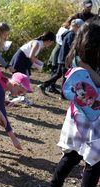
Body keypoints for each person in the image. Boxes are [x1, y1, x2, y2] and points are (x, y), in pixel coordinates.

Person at [50, 17, 100, 187]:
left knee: (73, 155)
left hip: (78, 113)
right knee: (94, 161)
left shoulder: (75, 57)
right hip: (93, 116)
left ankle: (54, 185)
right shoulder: (84, 63)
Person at [38, 19, 84, 98]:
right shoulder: (71, 35)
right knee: (65, 77)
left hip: (62, 58)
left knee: (58, 74)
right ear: (77, 26)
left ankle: (44, 85)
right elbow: (71, 47)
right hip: (65, 59)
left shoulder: (67, 33)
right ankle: (63, 95)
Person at [9, 31, 55, 105]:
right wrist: (38, 64)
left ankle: (15, 95)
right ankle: (19, 97)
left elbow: (30, 56)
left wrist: (38, 63)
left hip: (23, 60)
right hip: (20, 60)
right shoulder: (37, 43)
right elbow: (31, 56)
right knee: (22, 80)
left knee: (24, 79)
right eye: (51, 43)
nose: (50, 45)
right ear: (49, 41)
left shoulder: (38, 43)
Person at [44, 16, 74, 94]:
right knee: (56, 71)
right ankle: (49, 86)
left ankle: (50, 86)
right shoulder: (65, 31)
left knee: (58, 72)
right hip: (59, 50)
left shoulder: (64, 29)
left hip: (60, 49)